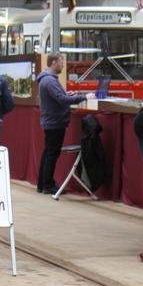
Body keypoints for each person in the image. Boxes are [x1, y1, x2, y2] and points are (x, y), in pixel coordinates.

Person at [36, 52, 94, 194]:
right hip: (55, 121)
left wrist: (68, 95)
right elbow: (61, 99)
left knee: (48, 152)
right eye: (62, 62)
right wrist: (83, 97)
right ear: (54, 62)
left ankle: (42, 184)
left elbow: (59, 97)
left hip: (51, 121)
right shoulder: (50, 80)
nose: (63, 65)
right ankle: (48, 185)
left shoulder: (47, 79)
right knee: (52, 153)